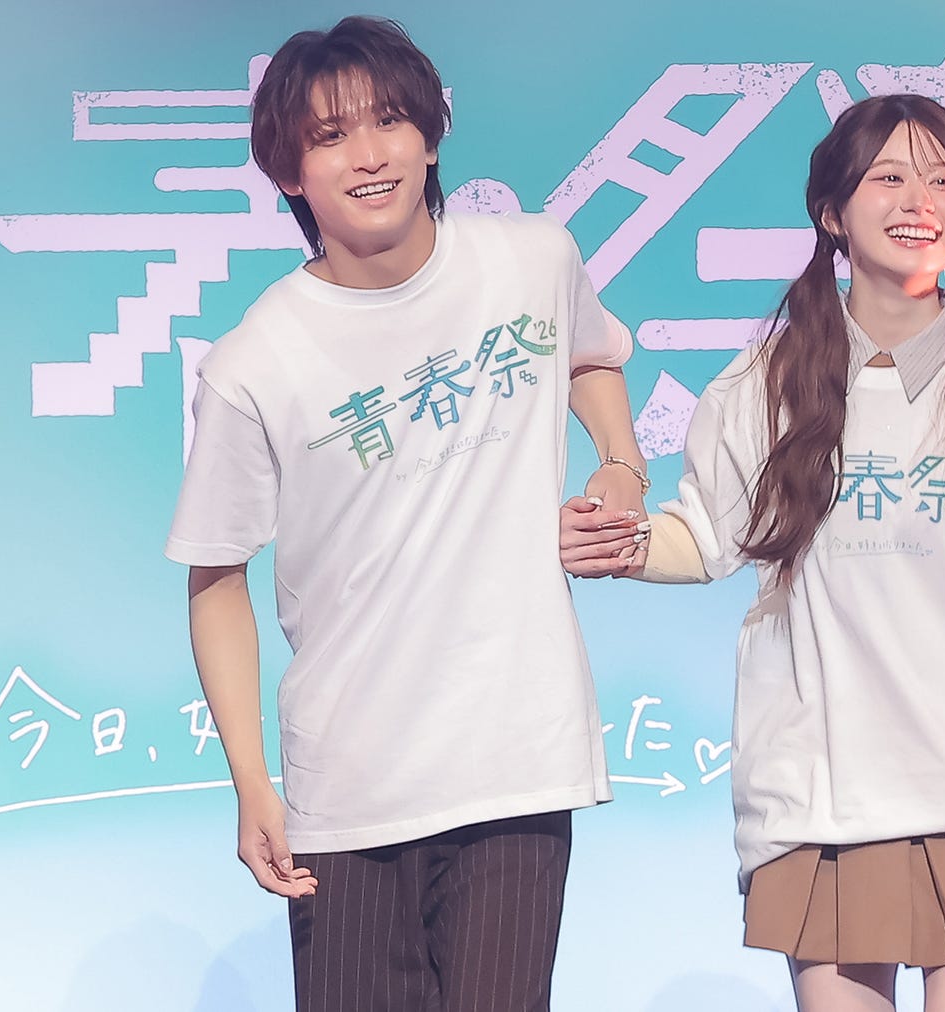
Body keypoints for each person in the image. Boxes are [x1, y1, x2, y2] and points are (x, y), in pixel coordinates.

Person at [561, 94, 945, 1011]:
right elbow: (707, 537)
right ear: (832, 213)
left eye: (944, 181)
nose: (920, 200)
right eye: (889, 177)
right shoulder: (767, 383)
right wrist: (615, 542)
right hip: (818, 794)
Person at [165, 15, 649, 1012]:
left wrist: (621, 465)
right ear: (289, 171)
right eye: (330, 135)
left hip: (516, 756)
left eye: (389, 120)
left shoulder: (532, 259)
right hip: (348, 786)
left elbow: (590, 354)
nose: (369, 154)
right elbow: (216, 577)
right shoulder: (254, 363)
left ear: (431, 135)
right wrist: (252, 783)